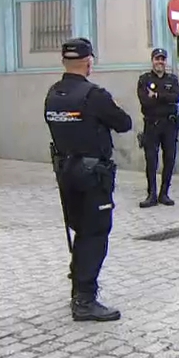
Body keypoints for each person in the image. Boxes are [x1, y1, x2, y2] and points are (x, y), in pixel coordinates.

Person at [44, 38, 133, 321]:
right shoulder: (94, 95)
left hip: (65, 172)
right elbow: (124, 122)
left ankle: (79, 286)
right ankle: (84, 300)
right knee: (95, 233)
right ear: (89, 61)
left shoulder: (53, 94)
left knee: (81, 230)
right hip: (93, 176)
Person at [137, 48, 179, 207]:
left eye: (163, 59)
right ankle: (151, 194)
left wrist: (157, 96)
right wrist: (164, 99)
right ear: (152, 61)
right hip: (152, 124)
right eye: (157, 59)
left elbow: (176, 97)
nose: (160, 62)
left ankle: (164, 193)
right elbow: (145, 101)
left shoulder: (172, 79)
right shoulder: (144, 79)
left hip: (169, 124)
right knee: (151, 160)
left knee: (169, 159)